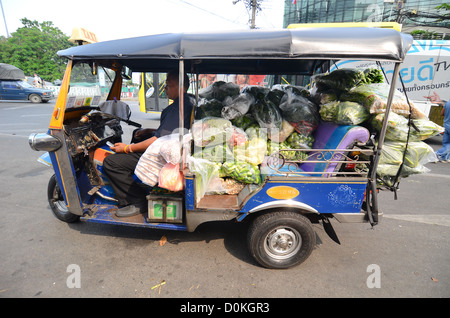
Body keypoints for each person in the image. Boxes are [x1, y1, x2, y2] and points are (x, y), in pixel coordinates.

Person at [103, 70, 194, 217]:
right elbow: (169, 131)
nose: (165, 89)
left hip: (166, 156)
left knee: (111, 162)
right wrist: (149, 131)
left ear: (181, 87)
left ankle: (137, 200)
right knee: (138, 134)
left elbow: (158, 140)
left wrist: (127, 148)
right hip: (173, 144)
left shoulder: (177, 108)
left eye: (168, 86)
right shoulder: (188, 102)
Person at [424, 92, 450, 162]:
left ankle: (444, 158)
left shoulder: (447, 103)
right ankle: (435, 154)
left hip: (446, 125)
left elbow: (442, 114)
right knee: (448, 145)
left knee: (446, 143)